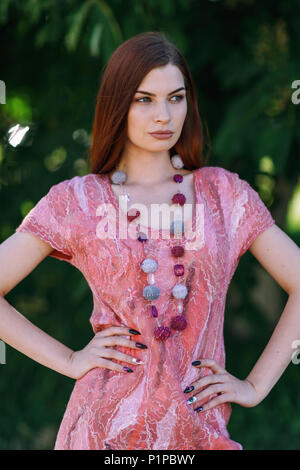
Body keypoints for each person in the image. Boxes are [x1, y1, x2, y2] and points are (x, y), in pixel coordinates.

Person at [1, 31, 300, 451]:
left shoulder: (224, 195)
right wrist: (70, 360)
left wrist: (255, 385)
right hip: (102, 432)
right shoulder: (78, 200)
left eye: (176, 98)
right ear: (118, 104)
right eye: (145, 99)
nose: (164, 115)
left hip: (201, 433)